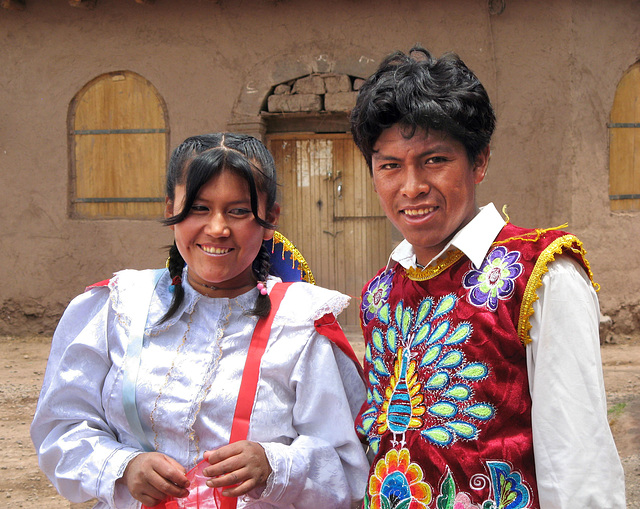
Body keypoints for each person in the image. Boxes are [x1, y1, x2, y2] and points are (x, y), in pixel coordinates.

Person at [31, 133, 369, 509]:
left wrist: (276, 466)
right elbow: (60, 427)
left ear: (270, 217)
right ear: (170, 208)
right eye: (198, 208)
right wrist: (122, 466)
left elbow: (350, 466)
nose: (218, 228)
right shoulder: (119, 306)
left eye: (239, 211)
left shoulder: (303, 324)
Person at [350, 47, 625, 509]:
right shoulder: (379, 294)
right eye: (390, 165)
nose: (411, 186)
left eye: (434, 160)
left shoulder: (540, 272)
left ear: (479, 162)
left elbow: (578, 458)